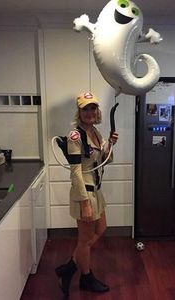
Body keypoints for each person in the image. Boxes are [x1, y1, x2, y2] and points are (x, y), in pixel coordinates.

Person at [55, 92, 119, 297]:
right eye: (85, 109)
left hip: (96, 190)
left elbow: (104, 160)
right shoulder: (75, 136)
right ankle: (85, 277)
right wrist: (84, 202)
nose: (90, 112)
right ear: (79, 112)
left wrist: (110, 143)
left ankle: (70, 267)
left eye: (93, 108)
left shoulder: (96, 133)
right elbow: (75, 171)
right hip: (85, 192)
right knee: (84, 241)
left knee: (101, 228)